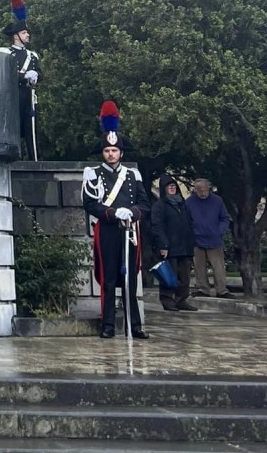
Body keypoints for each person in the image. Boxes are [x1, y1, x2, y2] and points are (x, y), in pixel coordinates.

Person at [81, 101, 151, 339]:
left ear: (121, 152)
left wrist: (132, 212)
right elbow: (90, 203)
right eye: (107, 151)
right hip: (108, 230)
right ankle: (108, 325)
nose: (111, 154)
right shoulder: (93, 174)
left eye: (115, 151)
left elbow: (144, 204)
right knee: (109, 278)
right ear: (103, 152)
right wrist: (112, 213)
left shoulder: (133, 175)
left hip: (130, 231)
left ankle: (135, 325)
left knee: (131, 279)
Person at [0, 0, 41, 161]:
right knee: (14, 131)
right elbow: (7, 74)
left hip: (29, 97)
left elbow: (40, 72)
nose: (27, 35)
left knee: (32, 132)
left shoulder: (32, 55)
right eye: (24, 32)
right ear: (16, 35)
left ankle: (35, 160)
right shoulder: (6, 52)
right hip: (13, 97)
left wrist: (37, 75)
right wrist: (24, 76)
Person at [151, 174, 198, 311]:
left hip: (184, 246)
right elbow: (157, 226)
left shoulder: (182, 204)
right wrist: (163, 245)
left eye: (173, 186)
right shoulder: (159, 206)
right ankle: (167, 300)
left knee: (184, 277)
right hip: (169, 247)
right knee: (168, 276)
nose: (172, 188)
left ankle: (181, 300)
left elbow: (189, 223)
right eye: (168, 186)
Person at [186, 178, 234, 298]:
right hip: (197, 240)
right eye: (199, 190)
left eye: (204, 190)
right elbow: (185, 221)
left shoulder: (217, 201)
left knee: (218, 267)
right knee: (199, 267)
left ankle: (222, 290)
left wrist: (219, 231)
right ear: (195, 190)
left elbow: (225, 218)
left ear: (209, 189)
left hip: (214, 239)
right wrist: (192, 233)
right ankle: (203, 289)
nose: (202, 193)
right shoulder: (189, 202)